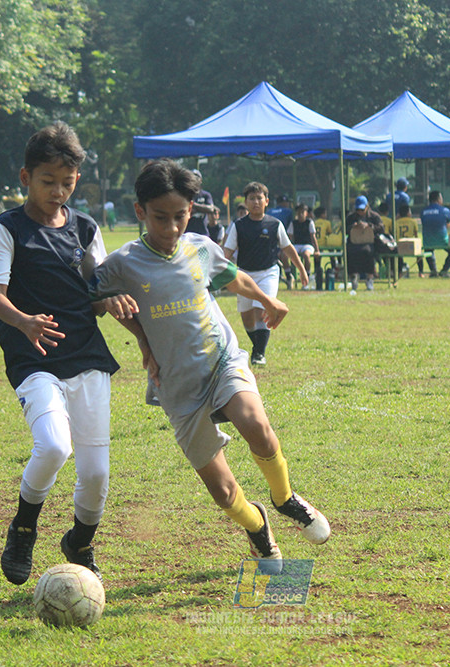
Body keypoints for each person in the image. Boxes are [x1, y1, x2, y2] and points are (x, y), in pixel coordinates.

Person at [89, 159, 330, 568]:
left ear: (191, 211)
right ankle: (257, 526)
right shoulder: (123, 263)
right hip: (176, 384)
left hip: (221, 360)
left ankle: (285, 497)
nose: (170, 228)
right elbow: (89, 299)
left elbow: (234, 279)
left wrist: (268, 300)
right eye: (160, 218)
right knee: (222, 492)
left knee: (257, 425)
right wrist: (113, 308)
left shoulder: (200, 248)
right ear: (140, 212)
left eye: (180, 216)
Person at [0, 121, 143, 585]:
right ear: (25, 177)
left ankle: (79, 541)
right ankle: (24, 527)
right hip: (32, 358)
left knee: (95, 475)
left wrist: (109, 301)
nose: (57, 192)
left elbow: (96, 292)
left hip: (87, 355)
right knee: (53, 445)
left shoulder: (86, 228)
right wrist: (24, 322)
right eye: (47, 181)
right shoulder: (7, 228)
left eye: (67, 183)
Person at [224, 182, 308, 366]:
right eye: (252, 198)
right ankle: (257, 347)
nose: (256, 202)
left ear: (267, 201)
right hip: (244, 275)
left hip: (268, 273)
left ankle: (259, 354)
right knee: (247, 319)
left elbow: (289, 249)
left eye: (259, 198)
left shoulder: (274, 224)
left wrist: (301, 269)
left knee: (261, 310)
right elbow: (226, 253)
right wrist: (217, 272)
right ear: (245, 202)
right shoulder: (238, 226)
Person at [345, 195, 385, 291]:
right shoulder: (351, 217)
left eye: (362, 209)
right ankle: (353, 277)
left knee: (368, 251)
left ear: (367, 207)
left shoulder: (374, 216)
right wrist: (353, 226)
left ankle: (369, 278)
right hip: (354, 242)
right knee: (350, 252)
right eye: (358, 209)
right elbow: (345, 229)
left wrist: (369, 226)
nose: (360, 212)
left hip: (370, 242)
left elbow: (381, 228)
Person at [420, 190, 450, 278]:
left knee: (428, 250)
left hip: (427, 240)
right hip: (442, 240)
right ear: (439, 199)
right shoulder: (445, 210)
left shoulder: (423, 211)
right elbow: (447, 224)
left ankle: (433, 271)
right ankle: (444, 271)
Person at [286, 203, 319, 289]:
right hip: (296, 245)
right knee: (284, 255)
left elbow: (313, 237)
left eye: (302, 212)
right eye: (299, 212)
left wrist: (317, 250)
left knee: (306, 255)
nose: (300, 214)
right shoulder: (293, 223)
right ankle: (289, 276)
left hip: (307, 245)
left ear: (306, 213)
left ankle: (306, 276)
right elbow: (289, 237)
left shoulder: (309, 222)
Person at [186, 169, 220, 237]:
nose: (195, 179)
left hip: (203, 234)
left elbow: (210, 209)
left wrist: (194, 205)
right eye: (192, 177)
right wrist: (203, 208)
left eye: (196, 176)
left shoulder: (206, 195)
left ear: (201, 180)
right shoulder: (186, 195)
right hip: (187, 234)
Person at [394, 203, 418, 278]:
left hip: (399, 244)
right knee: (418, 254)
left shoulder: (396, 222)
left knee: (399, 257)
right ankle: (421, 272)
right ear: (408, 213)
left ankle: (400, 273)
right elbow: (416, 234)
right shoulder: (413, 221)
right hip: (410, 244)